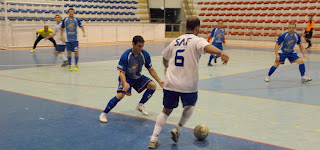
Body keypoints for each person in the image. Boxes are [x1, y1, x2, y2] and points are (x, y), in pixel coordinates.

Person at [148, 16, 229, 149]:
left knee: (165, 111)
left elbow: (164, 57)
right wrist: (221, 52)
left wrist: (166, 67)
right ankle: (178, 128)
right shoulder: (197, 40)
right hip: (188, 83)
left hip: (171, 82)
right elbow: (208, 48)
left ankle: (153, 138)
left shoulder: (176, 41)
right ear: (197, 28)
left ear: (186, 27)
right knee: (190, 105)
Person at [99, 35, 164, 123]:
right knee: (120, 95)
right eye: (139, 46)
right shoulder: (126, 55)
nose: (141, 48)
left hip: (138, 78)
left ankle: (140, 105)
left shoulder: (144, 54)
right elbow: (121, 72)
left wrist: (159, 81)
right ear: (133, 44)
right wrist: (125, 83)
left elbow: (151, 69)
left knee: (152, 85)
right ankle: (104, 113)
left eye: (142, 46)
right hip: (126, 78)